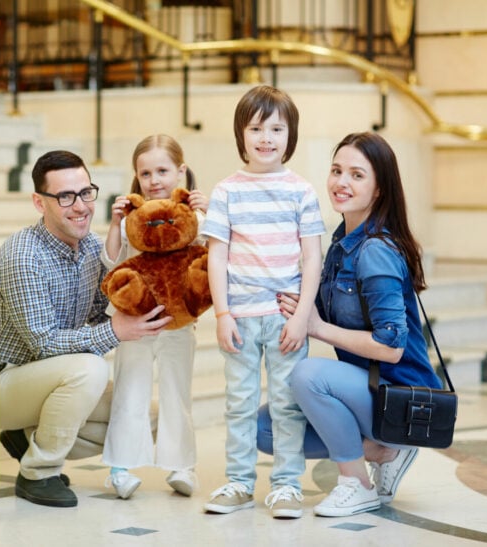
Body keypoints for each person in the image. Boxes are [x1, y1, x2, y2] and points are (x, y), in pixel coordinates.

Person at [258, 131, 444, 517]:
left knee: (309, 375)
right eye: (337, 170)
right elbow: (347, 313)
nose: (342, 182)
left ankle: (356, 484)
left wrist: (317, 327)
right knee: (265, 428)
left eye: (357, 175)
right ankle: (383, 450)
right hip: (371, 390)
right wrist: (306, 308)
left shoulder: (375, 250)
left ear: (379, 189)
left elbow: (390, 347)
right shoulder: (343, 241)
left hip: (404, 397)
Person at [0, 150, 172, 508]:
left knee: (151, 416)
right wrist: (117, 331)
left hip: (52, 380)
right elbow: (43, 343)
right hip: (1, 384)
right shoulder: (22, 254)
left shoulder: (94, 249)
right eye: (64, 197)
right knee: (89, 369)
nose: (80, 206)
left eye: (85, 192)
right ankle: (38, 472)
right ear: (38, 202)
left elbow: (99, 315)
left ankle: (28, 439)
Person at [201, 85, 325, 518]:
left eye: (277, 128)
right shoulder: (226, 191)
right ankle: (237, 482)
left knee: (287, 405)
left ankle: (287, 485)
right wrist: (221, 313)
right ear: (242, 134)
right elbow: (215, 255)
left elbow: (313, 258)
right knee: (238, 403)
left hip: (285, 319)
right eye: (256, 128)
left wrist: (303, 317)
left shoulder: (302, 192)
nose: (266, 137)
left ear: (291, 136)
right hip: (239, 318)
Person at [101, 134, 209, 499]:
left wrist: (207, 211)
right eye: (145, 173)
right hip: (136, 320)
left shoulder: (191, 214)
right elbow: (114, 262)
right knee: (131, 386)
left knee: (177, 390)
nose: (154, 180)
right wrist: (115, 223)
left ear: (180, 171)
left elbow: (208, 254)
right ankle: (121, 466)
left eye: (162, 170)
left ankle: (181, 465)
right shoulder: (135, 216)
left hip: (178, 320)